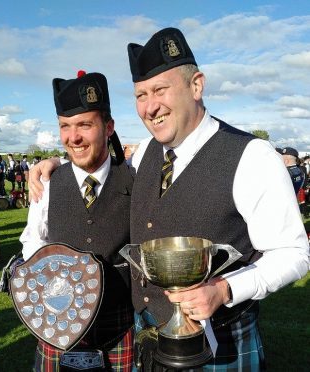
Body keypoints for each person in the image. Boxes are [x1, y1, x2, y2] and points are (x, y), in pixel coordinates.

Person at [27, 28, 309, 371]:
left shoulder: (251, 156)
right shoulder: (143, 154)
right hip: (148, 336)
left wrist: (224, 290)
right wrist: (53, 166)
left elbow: (293, 252)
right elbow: (93, 165)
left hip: (219, 342)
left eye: (161, 90)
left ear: (197, 85)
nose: (150, 106)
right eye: (141, 94)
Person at [19, 71, 134, 371]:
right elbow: (33, 240)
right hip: (58, 325)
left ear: (108, 127)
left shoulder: (135, 176)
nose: (74, 137)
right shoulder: (46, 182)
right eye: (65, 126)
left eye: (85, 124)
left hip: (119, 323)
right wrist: (48, 278)